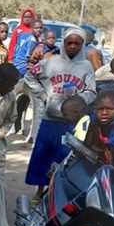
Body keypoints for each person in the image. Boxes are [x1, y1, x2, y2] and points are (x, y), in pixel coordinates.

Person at [25, 27, 96, 199]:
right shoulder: (51, 62)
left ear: (83, 45)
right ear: (63, 43)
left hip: (72, 123)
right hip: (51, 119)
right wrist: (43, 96)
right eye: (69, 43)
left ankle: (56, 194)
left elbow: (92, 92)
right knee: (44, 156)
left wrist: (79, 100)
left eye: (77, 43)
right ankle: (39, 192)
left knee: (65, 159)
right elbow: (30, 76)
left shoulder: (86, 66)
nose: (72, 46)